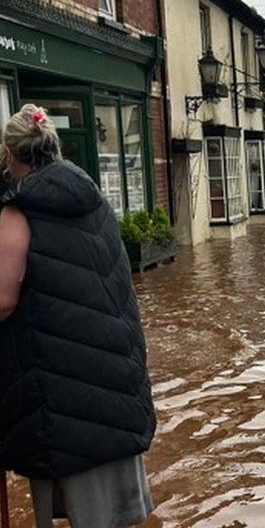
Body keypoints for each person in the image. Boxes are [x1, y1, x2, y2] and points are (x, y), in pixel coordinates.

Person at [0, 105, 156, 527]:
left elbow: (2, 299)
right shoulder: (94, 201)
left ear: (11, 157)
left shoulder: (19, 210)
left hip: (65, 401)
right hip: (115, 390)